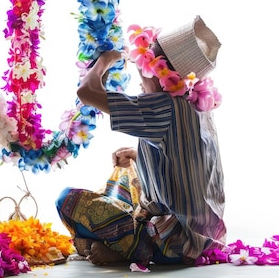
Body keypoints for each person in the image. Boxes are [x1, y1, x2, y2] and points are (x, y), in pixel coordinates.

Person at [56, 15, 226, 266]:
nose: (139, 81)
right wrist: (137, 156)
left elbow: (87, 92)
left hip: (175, 241)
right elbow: (188, 160)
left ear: (162, 76)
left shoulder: (163, 106)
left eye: (143, 73)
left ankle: (131, 249)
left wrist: (106, 59)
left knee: (66, 200)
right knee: (125, 178)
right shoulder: (199, 106)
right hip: (205, 238)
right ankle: (124, 243)